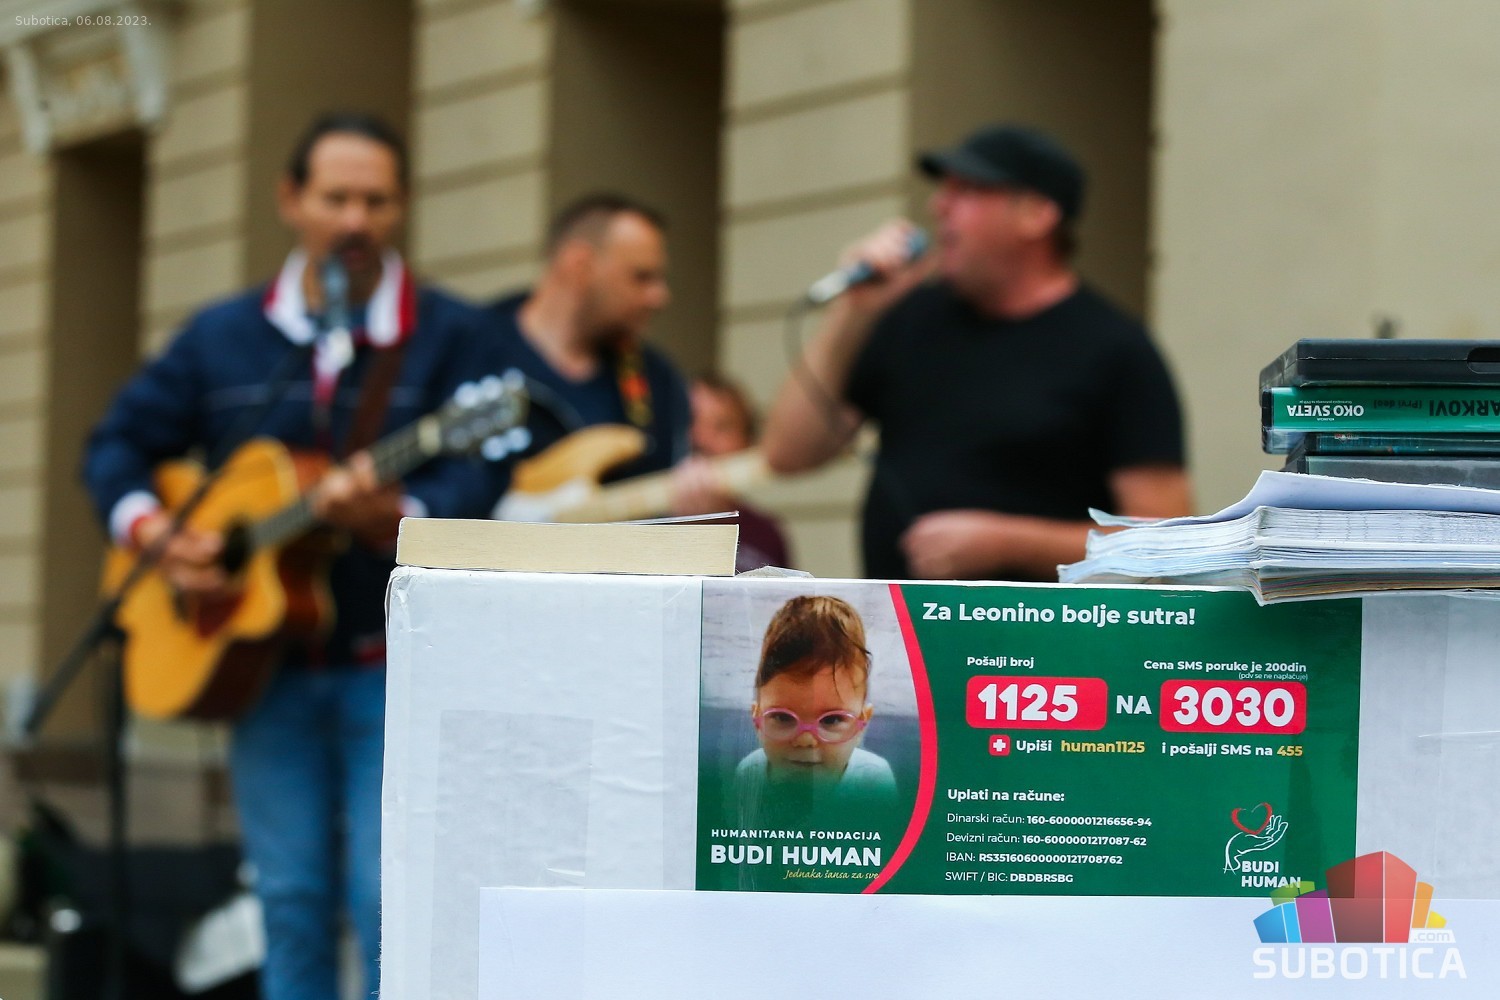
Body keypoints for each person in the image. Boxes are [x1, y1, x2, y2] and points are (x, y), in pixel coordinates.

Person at [82, 112, 504, 1000]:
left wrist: (398, 517)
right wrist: (154, 534)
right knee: (291, 899)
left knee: (389, 902)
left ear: (402, 206)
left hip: (395, 668)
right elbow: (117, 444)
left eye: (375, 201)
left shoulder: (454, 337)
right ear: (291, 200)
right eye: (335, 198)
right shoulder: (223, 337)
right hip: (263, 672)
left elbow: (485, 479)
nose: (355, 220)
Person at [762, 123, 1192, 581]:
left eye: (966, 190)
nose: (939, 206)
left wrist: (1007, 544)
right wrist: (852, 312)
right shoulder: (912, 317)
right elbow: (788, 453)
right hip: (896, 623)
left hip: (1031, 626)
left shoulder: (1115, 349)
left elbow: (1162, 541)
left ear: (1036, 215)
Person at [484, 193, 690, 488]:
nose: (659, 297)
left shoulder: (656, 380)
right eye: (641, 277)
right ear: (580, 265)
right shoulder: (469, 351)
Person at [734, 595, 895, 828]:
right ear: (756, 718)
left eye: (832, 720)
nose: (806, 740)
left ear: (862, 723)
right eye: (782, 717)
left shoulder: (873, 782)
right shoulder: (750, 774)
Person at [673, 372, 793, 572]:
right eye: (691, 421)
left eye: (722, 427)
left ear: (746, 443)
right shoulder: (645, 525)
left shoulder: (768, 536)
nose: (701, 438)